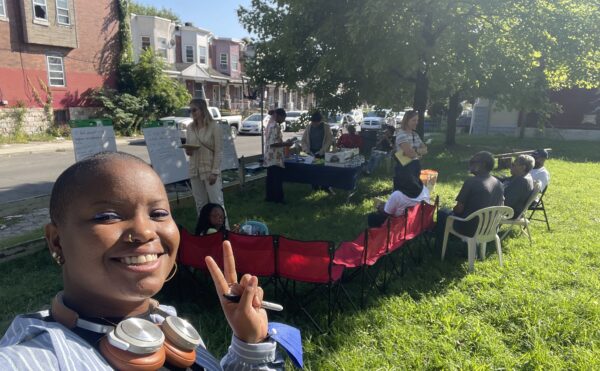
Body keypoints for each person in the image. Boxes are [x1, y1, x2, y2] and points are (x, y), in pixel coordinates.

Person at [0, 152, 288, 370]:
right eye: (107, 216)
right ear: (57, 241)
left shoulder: (173, 328)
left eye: (159, 213)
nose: (145, 231)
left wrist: (249, 343)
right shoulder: (27, 360)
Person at [436, 151, 504, 241]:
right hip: (491, 228)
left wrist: (453, 212)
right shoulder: (498, 183)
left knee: (442, 212)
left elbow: (459, 209)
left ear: (483, 164)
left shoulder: (471, 182)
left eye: (473, 162)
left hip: (469, 229)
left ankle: (440, 245)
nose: (470, 164)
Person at [184, 98, 226, 223]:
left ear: (202, 110)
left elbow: (219, 151)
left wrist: (215, 172)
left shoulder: (214, 127)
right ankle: (204, 232)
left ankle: (224, 231)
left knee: (216, 203)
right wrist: (188, 150)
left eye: (194, 110)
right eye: (190, 110)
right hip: (195, 169)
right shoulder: (190, 128)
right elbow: (188, 147)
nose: (192, 113)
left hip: (209, 169)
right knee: (200, 204)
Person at [264, 108, 294, 203]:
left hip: (269, 156)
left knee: (270, 179)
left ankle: (270, 197)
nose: (284, 120)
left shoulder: (269, 124)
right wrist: (286, 144)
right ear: (279, 116)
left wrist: (284, 143)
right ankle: (278, 199)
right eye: (284, 118)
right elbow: (274, 143)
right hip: (275, 156)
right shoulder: (275, 126)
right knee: (277, 179)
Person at [393, 110, 427, 191]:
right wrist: (418, 151)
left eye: (417, 120)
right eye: (414, 120)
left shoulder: (415, 134)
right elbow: (410, 154)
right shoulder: (401, 134)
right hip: (404, 168)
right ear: (406, 120)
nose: (416, 122)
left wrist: (414, 150)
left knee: (413, 192)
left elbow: (425, 150)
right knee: (404, 193)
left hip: (415, 166)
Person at [502, 154, 535, 219]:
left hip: (510, 212)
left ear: (523, 167)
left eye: (513, 165)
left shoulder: (522, 181)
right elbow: (505, 179)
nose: (510, 166)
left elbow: (508, 203)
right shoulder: (523, 176)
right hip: (511, 209)